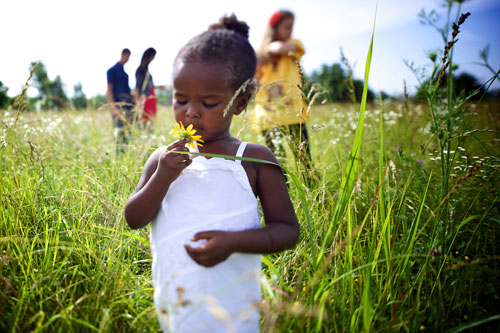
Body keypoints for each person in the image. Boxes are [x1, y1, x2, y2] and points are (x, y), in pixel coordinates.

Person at [124, 14, 300, 332]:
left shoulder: (255, 160)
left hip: (234, 309)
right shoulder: (163, 158)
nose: (190, 111)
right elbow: (133, 218)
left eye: (208, 102)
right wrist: (162, 176)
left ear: (240, 102)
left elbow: (287, 230)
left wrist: (233, 242)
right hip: (177, 306)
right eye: (180, 99)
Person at [251, 10, 311, 169]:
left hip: (293, 112)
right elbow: (254, 80)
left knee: (305, 159)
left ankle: (312, 189)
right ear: (274, 28)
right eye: (286, 26)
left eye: (292, 26)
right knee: (277, 162)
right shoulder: (260, 57)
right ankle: (282, 192)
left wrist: (268, 49)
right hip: (268, 114)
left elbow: (281, 48)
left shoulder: (293, 46)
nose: (290, 30)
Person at [106, 48, 135, 151]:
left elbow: (126, 91)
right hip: (118, 108)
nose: (128, 59)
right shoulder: (112, 70)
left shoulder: (125, 73)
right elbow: (109, 90)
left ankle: (126, 154)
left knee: (129, 133)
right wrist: (114, 108)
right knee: (119, 134)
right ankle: (119, 156)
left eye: (129, 57)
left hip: (128, 108)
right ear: (123, 54)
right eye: (127, 56)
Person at [134, 47, 163, 129]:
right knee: (145, 123)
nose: (153, 59)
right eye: (153, 56)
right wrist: (138, 103)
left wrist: (157, 87)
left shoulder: (147, 71)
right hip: (145, 100)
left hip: (151, 98)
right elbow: (138, 88)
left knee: (151, 123)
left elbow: (150, 86)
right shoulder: (140, 71)